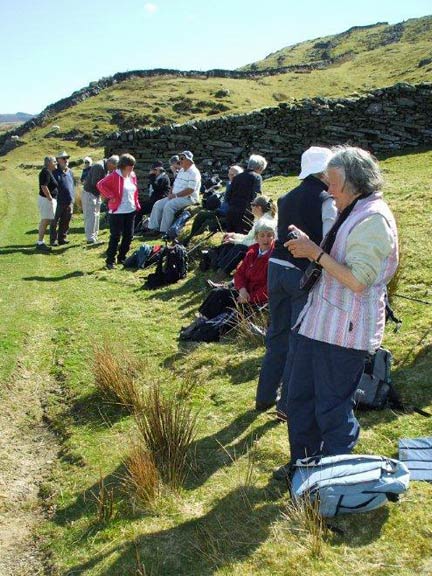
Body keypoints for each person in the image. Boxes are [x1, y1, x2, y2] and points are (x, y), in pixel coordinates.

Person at [273, 146, 398, 480]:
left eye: (334, 182)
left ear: (355, 183)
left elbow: (358, 280)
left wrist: (315, 253)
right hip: (316, 323)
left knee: (331, 410)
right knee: (299, 402)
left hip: (345, 332)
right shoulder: (350, 209)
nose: (328, 189)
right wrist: (313, 248)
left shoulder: (373, 219)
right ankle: (302, 467)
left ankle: (332, 479)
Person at [256, 146, 337, 415]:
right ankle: (287, 404)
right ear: (325, 170)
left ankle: (264, 396)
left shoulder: (286, 196)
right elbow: (328, 242)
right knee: (297, 338)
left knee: (276, 334)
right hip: (301, 273)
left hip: (276, 267)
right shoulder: (326, 200)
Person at [180, 222, 275, 340]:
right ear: (256, 238)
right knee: (218, 293)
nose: (266, 239)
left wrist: (249, 297)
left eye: (269, 235)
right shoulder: (252, 252)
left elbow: (270, 286)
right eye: (262, 235)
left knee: (229, 316)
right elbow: (239, 274)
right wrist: (242, 290)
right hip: (243, 293)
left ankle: (202, 331)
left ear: (274, 237)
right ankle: (198, 323)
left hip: (256, 301)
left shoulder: (274, 258)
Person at [210, 195, 278, 279]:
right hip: (265, 248)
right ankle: (218, 266)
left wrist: (234, 241)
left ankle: (221, 273)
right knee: (232, 242)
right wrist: (234, 235)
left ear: (259, 207)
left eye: (253, 204)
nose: (251, 207)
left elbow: (255, 243)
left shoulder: (263, 222)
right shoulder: (266, 218)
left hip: (265, 251)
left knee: (239, 248)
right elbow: (250, 238)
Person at [96, 153, 140, 269]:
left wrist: (136, 204)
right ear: (123, 165)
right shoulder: (115, 175)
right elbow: (100, 184)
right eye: (130, 166)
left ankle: (122, 257)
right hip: (117, 211)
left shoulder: (133, 175)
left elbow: (135, 191)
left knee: (129, 235)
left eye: (133, 166)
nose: (132, 168)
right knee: (115, 236)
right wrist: (111, 196)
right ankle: (110, 261)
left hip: (130, 210)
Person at [183, 165, 244, 245]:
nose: (231, 176)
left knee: (208, 223)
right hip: (220, 211)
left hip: (228, 216)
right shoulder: (230, 184)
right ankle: (190, 236)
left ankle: (192, 241)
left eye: (233, 175)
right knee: (201, 214)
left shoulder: (241, 188)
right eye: (229, 174)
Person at [145, 150, 201, 237]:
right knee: (158, 204)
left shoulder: (194, 173)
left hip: (188, 198)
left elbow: (190, 190)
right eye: (179, 158)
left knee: (169, 206)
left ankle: (164, 231)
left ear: (189, 160)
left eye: (182, 158)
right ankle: (153, 228)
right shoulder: (182, 170)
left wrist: (175, 195)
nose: (179, 161)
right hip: (175, 196)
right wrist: (171, 193)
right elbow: (174, 183)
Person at [225, 154, 267, 233]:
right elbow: (256, 196)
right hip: (245, 214)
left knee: (229, 238)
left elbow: (228, 195)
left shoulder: (237, 177)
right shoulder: (257, 177)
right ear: (259, 168)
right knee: (242, 240)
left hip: (231, 212)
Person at [82, 155, 119, 244]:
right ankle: (90, 239)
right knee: (91, 216)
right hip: (90, 194)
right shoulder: (99, 167)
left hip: (96, 194)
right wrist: (107, 196)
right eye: (113, 168)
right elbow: (96, 183)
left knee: (96, 216)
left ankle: (94, 237)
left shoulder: (105, 167)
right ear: (110, 163)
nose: (113, 170)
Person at [50, 151, 75, 246]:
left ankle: (62, 238)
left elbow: (72, 185)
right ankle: (53, 240)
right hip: (58, 201)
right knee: (54, 221)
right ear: (58, 160)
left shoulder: (70, 172)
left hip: (69, 201)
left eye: (67, 158)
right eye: (63, 158)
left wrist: (72, 199)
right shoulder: (54, 173)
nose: (66, 160)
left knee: (66, 221)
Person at [36, 156, 58, 251]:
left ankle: (41, 241)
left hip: (48, 199)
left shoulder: (48, 171)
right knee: (45, 220)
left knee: (46, 220)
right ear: (49, 163)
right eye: (54, 161)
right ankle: (40, 243)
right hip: (46, 200)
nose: (56, 163)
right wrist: (50, 198)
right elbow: (44, 186)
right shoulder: (45, 172)